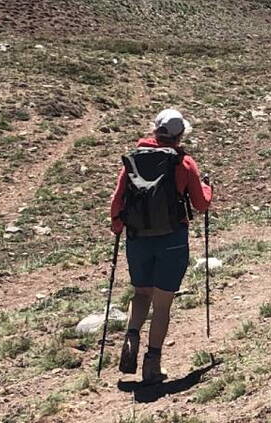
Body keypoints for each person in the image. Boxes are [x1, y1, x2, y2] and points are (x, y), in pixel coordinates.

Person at [109, 109, 212, 384]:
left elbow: (117, 202)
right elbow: (201, 204)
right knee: (162, 304)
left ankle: (132, 335)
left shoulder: (132, 161)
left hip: (138, 239)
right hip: (172, 239)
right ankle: (151, 365)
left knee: (141, 294)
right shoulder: (183, 162)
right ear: (180, 135)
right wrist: (208, 189)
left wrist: (118, 227)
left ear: (155, 130)